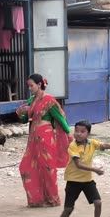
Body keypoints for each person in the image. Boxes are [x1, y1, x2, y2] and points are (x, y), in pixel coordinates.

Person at [16, 73, 72, 207]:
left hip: (46, 138)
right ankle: (38, 198)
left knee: (48, 168)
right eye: (28, 86)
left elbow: (60, 119)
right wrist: (20, 113)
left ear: (39, 85)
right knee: (26, 167)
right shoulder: (31, 100)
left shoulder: (49, 101)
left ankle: (53, 199)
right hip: (33, 139)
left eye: (31, 86)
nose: (29, 88)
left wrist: (69, 135)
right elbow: (26, 120)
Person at [61, 120, 110, 217]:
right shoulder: (73, 146)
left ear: (88, 134)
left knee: (98, 202)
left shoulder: (92, 143)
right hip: (73, 180)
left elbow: (103, 145)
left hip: (87, 180)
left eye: (82, 131)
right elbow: (78, 165)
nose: (78, 134)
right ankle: (67, 211)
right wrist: (95, 170)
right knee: (67, 210)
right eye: (76, 131)